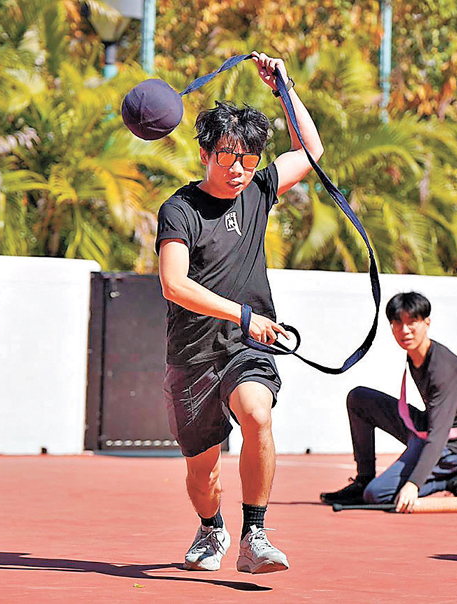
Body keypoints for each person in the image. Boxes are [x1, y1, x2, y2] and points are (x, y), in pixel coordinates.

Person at [156, 51, 323, 573]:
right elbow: (174, 284)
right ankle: (212, 528)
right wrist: (242, 314)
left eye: (249, 160)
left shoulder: (258, 191)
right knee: (203, 475)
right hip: (192, 354)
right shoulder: (179, 210)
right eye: (228, 158)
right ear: (205, 153)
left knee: (257, 412)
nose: (239, 170)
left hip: (245, 348)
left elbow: (311, 150)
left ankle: (255, 536)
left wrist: (284, 88)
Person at [320, 292, 457, 512]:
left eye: (412, 322)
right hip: (428, 428)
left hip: (451, 447)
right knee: (359, 399)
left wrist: (413, 484)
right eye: (397, 323)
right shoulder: (416, 355)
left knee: (377, 495)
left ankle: (453, 478)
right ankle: (364, 479)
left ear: (427, 323)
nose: (404, 330)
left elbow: (438, 435)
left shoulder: (443, 369)